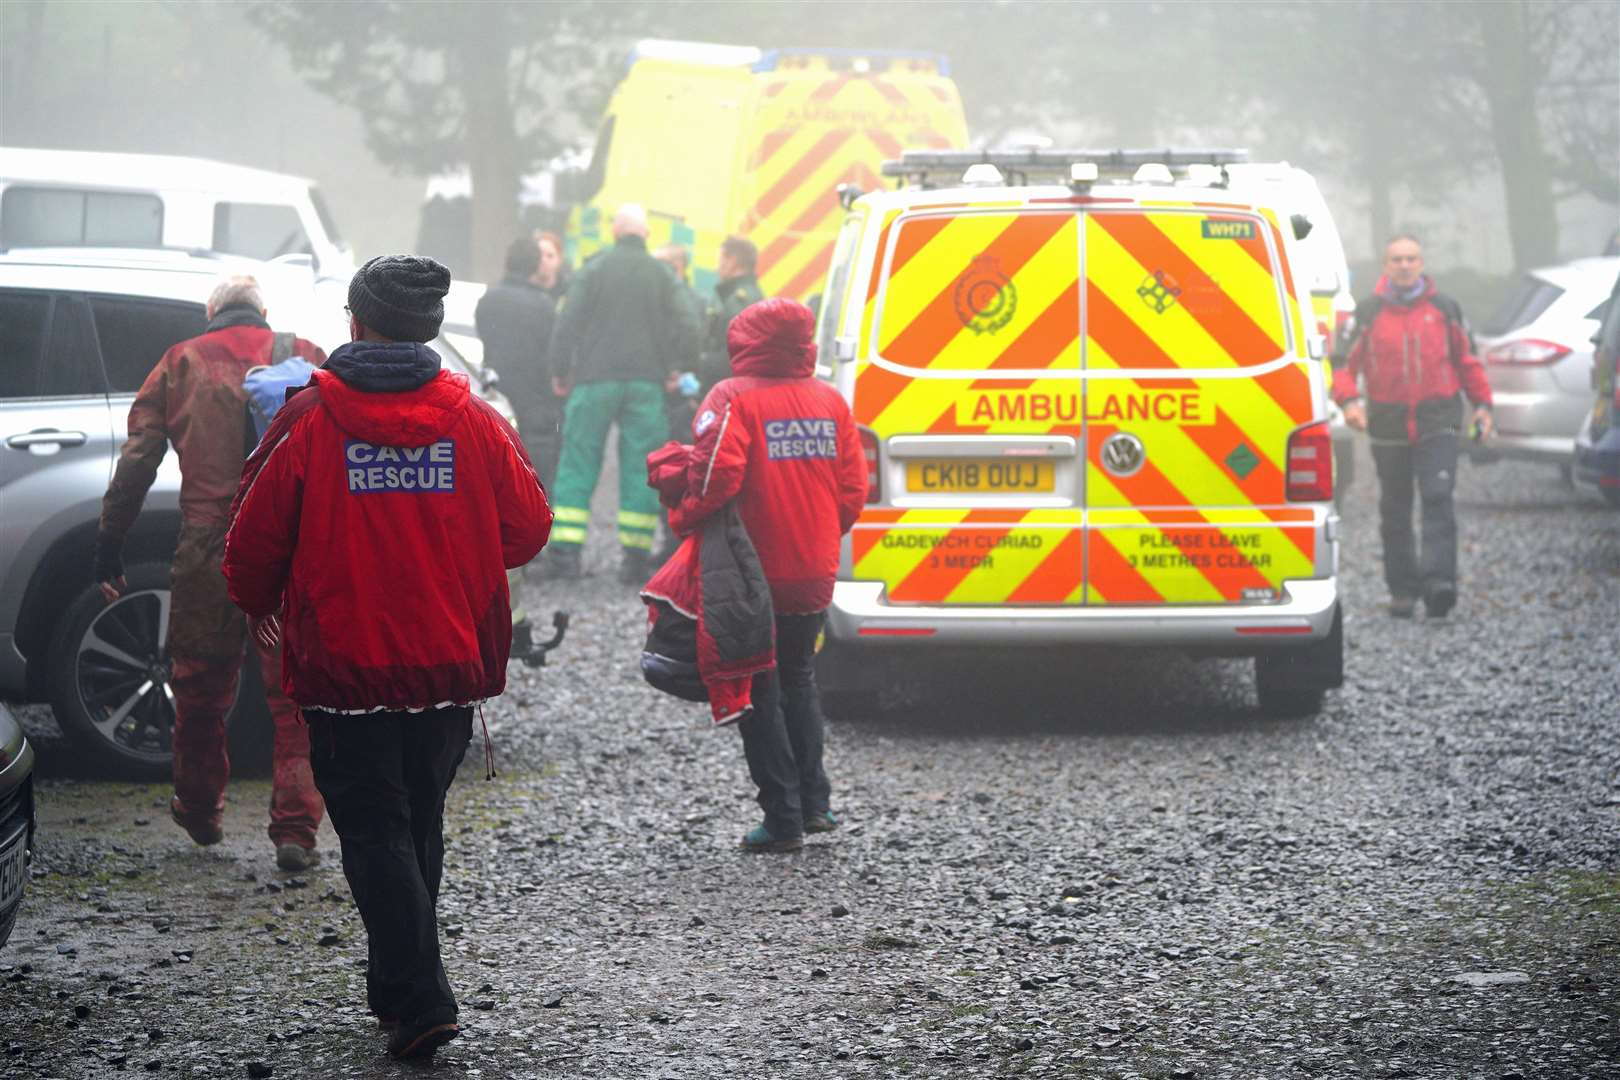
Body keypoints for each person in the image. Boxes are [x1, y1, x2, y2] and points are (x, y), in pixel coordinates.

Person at [222, 255, 552, 1060]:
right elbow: (529, 527)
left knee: (375, 833)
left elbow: (251, 542)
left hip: (346, 667)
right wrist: (455, 549)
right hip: (445, 665)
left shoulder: (309, 422)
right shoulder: (473, 423)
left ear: (357, 324)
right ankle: (401, 989)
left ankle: (420, 997)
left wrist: (260, 602)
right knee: (418, 824)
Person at [93, 275, 327, 871]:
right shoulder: (303, 356)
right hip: (286, 548)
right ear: (263, 313)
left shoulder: (181, 362)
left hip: (209, 547)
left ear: (211, 312)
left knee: (199, 688)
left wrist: (110, 545)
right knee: (292, 697)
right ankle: (296, 829)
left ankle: (199, 809)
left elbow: (138, 461)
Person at [666, 298, 867, 852]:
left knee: (757, 687)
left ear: (747, 342)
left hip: (753, 574)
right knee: (800, 677)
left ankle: (782, 820)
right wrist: (822, 535)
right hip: (813, 572)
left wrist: (682, 517)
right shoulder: (831, 402)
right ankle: (815, 804)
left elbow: (714, 479)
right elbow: (853, 492)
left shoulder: (733, 398)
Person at [1333, 234, 1493, 619]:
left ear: (1422, 264)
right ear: (1385, 266)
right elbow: (1342, 366)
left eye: (1411, 259)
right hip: (1387, 424)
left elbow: (1467, 360)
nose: (1405, 265)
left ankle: (1439, 585)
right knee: (1395, 508)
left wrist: (1484, 406)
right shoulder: (1368, 313)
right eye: (1397, 259)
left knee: (1438, 498)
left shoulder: (1445, 308)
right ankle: (1402, 590)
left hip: (1438, 420)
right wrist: (1350, 402)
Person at [547, 203, 700, 583]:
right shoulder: (663, 275)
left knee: (579, 462)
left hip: (593, 380)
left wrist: (561, 370)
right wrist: (678, 367)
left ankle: (566, 557)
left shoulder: (595, 269)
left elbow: (567, 321)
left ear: (614, 233)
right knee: (640, 468)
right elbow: (690, 324)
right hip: (646, 383)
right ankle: (633, 561)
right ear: (646, 235)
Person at [476, 235, 561, 490]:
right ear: (535, 266)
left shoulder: (488, 300)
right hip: (536, 410)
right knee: (534, 488)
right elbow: (553, 355)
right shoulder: (544, 306)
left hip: (495, 405)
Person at [699, 235, 765, 392]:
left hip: (729, 391)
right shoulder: (740, 296)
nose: (717, 267)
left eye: (720, 260)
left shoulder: (739, 301)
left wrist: (703, 363)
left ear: (732, 261)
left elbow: (731, 356)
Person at [536, 230, 570, 304]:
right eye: (539, 255)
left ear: (559, 260)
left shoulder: (569, 291)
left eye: (550, 256)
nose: (543, 260)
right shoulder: (522, 288)